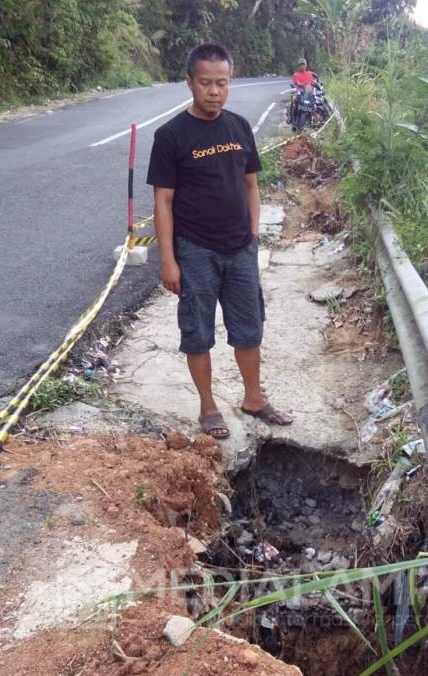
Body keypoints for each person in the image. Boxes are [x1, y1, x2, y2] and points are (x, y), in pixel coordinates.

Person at [147, 43, 293, 439]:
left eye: (222, 83)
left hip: (239, 247)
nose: (214, 91)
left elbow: (251, 184)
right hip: (195, 249)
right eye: (206, 83)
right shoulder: (171, 135)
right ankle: (208, 407)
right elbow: (163, 201)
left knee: (249, 326)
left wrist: (252, 231)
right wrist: (168, 259)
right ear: (190, 82)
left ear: (231, 82)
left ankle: (253, 399)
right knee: (197, 330)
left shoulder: (239, 127)